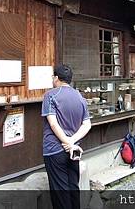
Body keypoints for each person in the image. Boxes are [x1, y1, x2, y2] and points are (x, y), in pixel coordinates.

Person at [41, 64, 91, 209]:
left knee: (60, 192)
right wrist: (72, 142)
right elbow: (87, 124)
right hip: (74, 150)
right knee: (73, 187)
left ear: (56, 78)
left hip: (55, 149)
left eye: (53, 76)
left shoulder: (50, 95)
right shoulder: (80, 96)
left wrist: (67, 142)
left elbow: (53, 124)